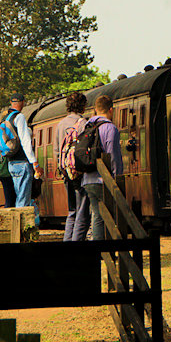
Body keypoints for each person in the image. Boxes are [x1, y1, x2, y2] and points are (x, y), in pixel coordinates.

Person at [82, 95, 122, 241]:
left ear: (95, 110)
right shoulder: (110, 128)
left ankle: (98, 249)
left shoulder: (87, 126)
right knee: (109, 216)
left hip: (87, 179)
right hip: (103, 179)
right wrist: (117, 178)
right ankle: (104, 250)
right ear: (111, 110)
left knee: (97, 215)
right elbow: (113, 155)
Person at [55, 91, 89, 241]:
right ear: (83, 106)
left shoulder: (60, 125)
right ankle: (76, 245)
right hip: (80, 173)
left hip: (66, 172)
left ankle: (67, 244)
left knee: (72, 211)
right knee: (82, 211)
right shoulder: (84, 124)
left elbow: (57, 150)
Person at [5, 92, 43, 208]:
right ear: (22, 103)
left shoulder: (6, 118)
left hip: (11, 163)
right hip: (22, 162)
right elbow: (25, 141)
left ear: (11, 103)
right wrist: (35, 163)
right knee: (23, 199)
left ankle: (20, 224)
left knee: (19, 195)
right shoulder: (19, 117)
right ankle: (23, 226)